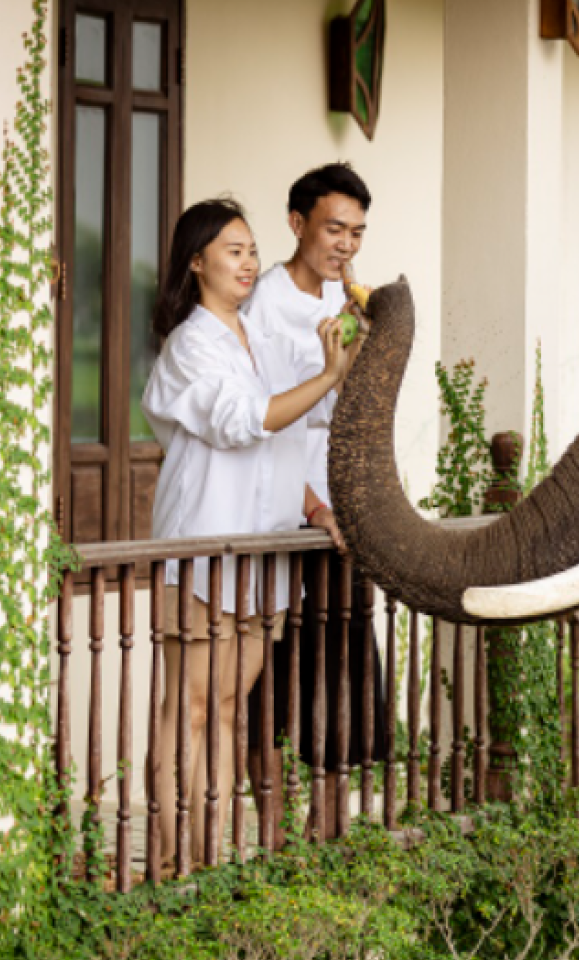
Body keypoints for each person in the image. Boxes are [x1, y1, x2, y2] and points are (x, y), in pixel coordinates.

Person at [141, 197, 364, 869]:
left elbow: (279, 447)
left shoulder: (256, 342)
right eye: (232, 250)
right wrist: (326, 375)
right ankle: (169, 860)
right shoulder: (190, 344)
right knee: (192, 709)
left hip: (260, 558)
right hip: (205, 550)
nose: (247, 262)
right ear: (196, 261)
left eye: (250, 250)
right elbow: (243, 423)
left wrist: (317, 508)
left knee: (234, 709)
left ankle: (209, 856)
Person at [243, 164, 389, 818]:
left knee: (343, 657)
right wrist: (312, 505)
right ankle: (273, 829)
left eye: (356, 233)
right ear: (297, 223)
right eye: (335, 228)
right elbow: (262, 421)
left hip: (340, 500)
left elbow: (352, 405)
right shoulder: (262, 307)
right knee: (271, 668)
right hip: (284, 504)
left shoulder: (345, 303)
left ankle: (331, 828)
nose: (346, 245)